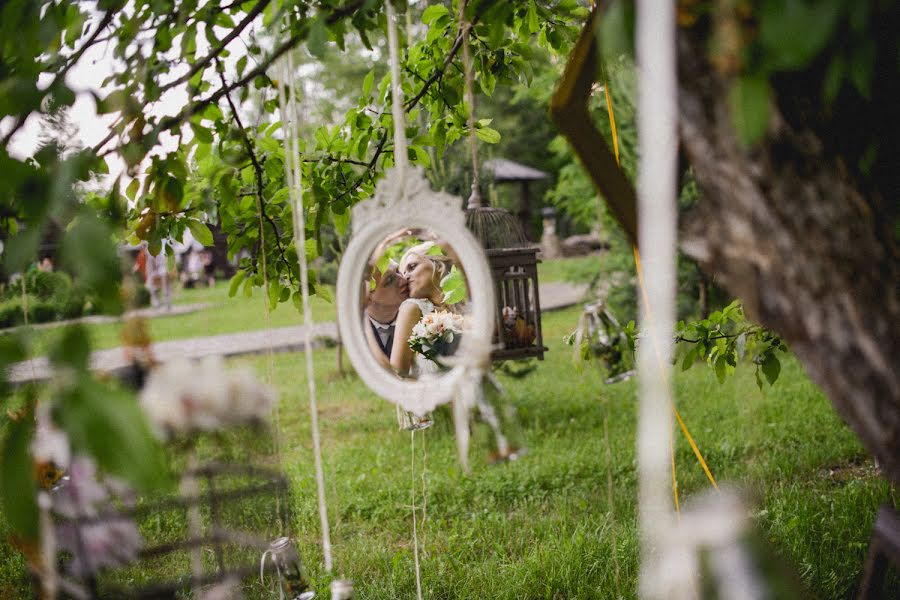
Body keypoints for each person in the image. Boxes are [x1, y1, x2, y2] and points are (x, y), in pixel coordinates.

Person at [389, 241, 455, 378]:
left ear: (439, 266)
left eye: (412, 267)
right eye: (404, 272)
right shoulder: (412, 309)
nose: (406, 276)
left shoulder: (465, 307)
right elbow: (398, 375)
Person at [363, 262, 409, 370]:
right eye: (389, 280)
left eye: (398, 271)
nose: (403, 280)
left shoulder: (423, 320)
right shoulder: (358, 335)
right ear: (367, 297)